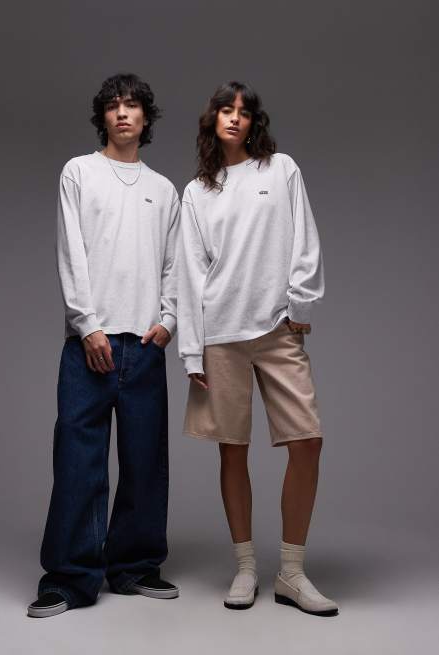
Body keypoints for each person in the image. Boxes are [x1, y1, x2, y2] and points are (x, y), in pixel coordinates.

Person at [177, 81, 338, 616]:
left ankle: (292, 572)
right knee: (232, 449)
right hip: (220, 333)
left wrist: (300, 306)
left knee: (307, 440)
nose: (234, 118)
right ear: (213, 120)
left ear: (253, 123)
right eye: (226, 110)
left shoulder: (280, 169)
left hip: (276, 329)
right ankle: (245, 567)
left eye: (244, 112)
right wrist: (192, 351)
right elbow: (191, 273)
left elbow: (304, 240)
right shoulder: (197, 192)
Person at [27, 73, 180, 618]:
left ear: (145, 117)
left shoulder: (165, 190)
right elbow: (70, 251)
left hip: (144, 343)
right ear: (103, 117)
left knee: (145, 463)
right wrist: (86, 324)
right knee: (78, 462)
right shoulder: (79, 172)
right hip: (88, 343)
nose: (122, 113)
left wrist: (170, 319)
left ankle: (135, 567)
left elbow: (174, 264)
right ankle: (69, 579)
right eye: (113, 105)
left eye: (132, 105)